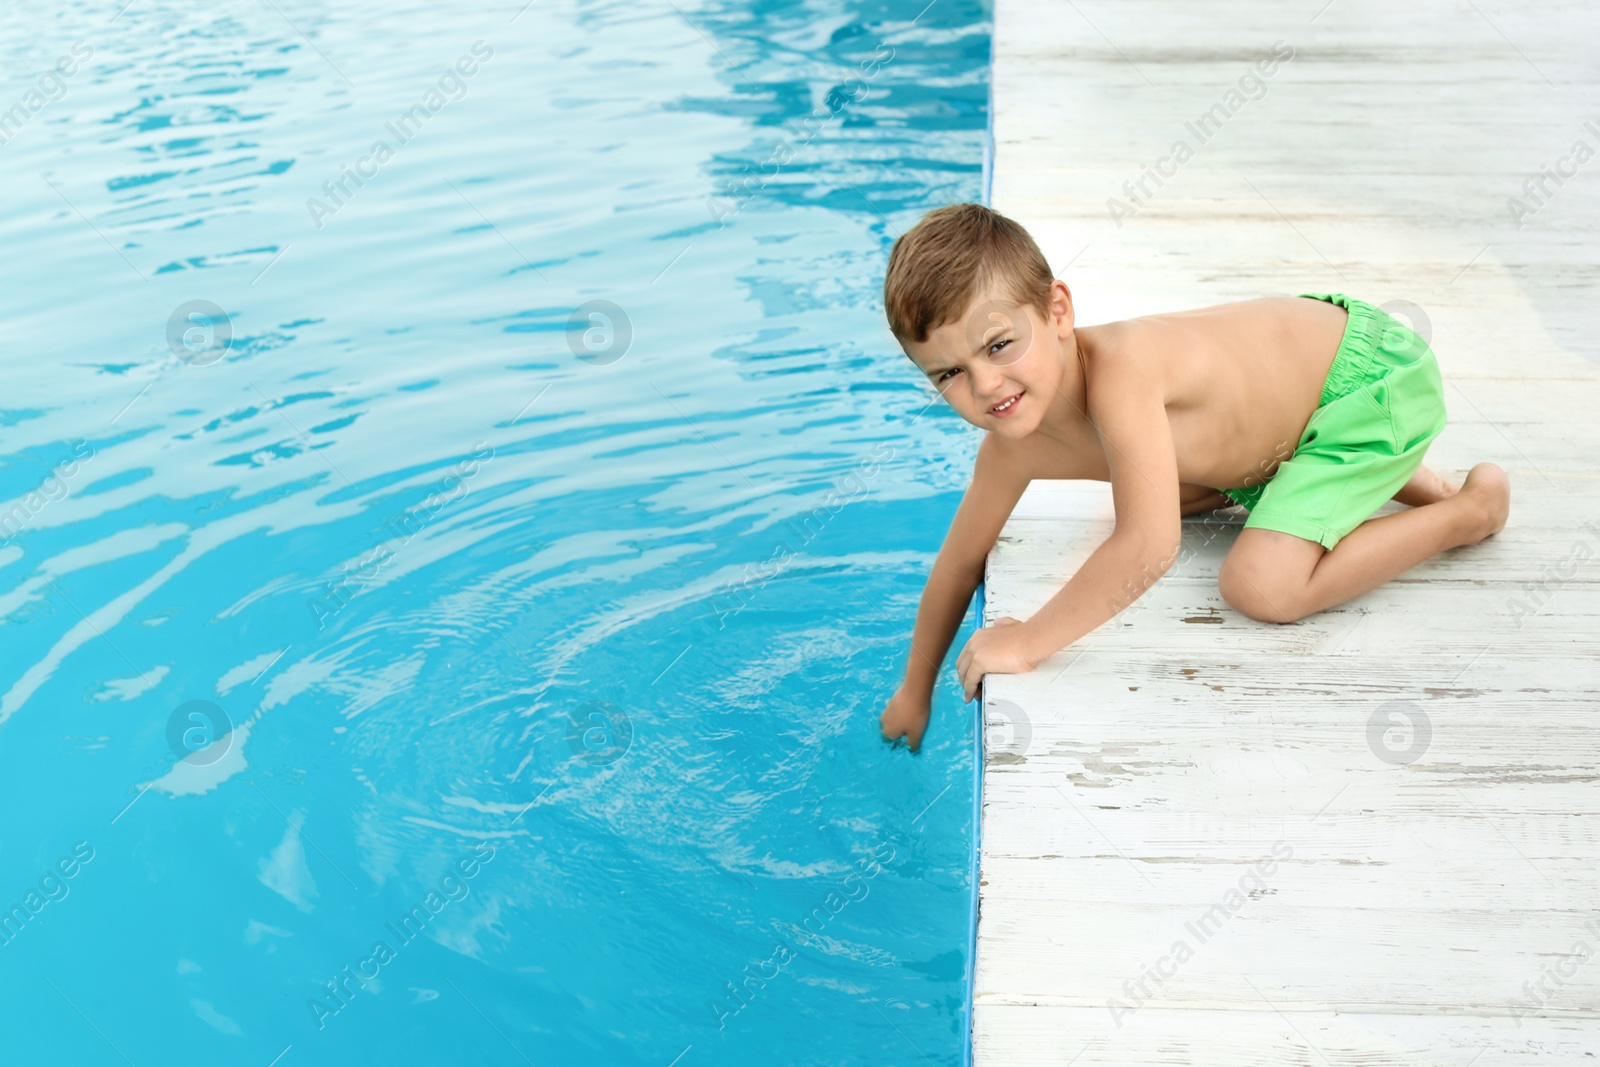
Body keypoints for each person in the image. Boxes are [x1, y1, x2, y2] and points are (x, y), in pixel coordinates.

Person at [877, 203, 1510, 752]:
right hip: (1280, 424)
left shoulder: (1123, 371)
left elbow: (1148, 548)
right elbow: (959, 562)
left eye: (998, 346)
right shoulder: (1010, 449)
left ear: (1058, 310)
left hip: (1365, 380)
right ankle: (1386, 473)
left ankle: (1467, 510)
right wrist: (915, 689)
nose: (985, 386)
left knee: (1261, 584)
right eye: (947, 375)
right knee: (1159, 493)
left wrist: (1030, 641)